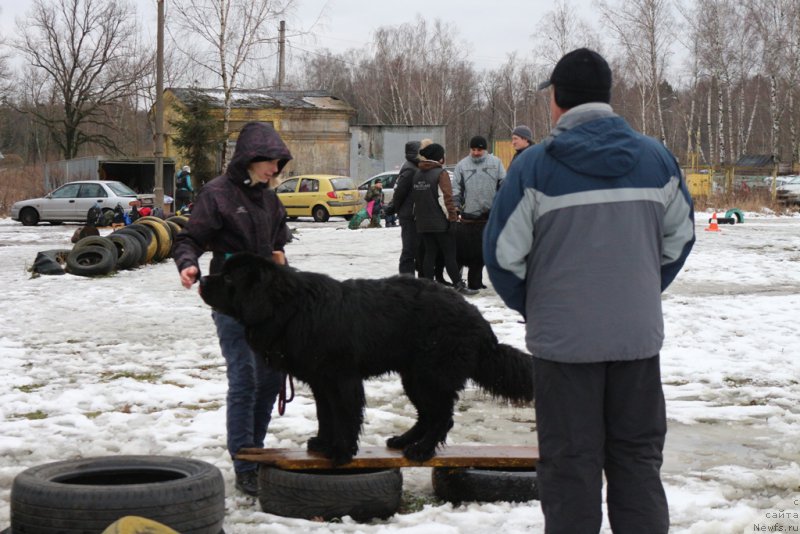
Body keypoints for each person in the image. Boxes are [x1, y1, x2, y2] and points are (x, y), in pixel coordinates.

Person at [483, 48, 695, 533]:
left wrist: (538, 307)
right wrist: (640, 290)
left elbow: (502, 257)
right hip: (635, 341)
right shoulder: (655, 158)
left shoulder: (533, 167)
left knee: (569, 465)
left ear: (556, 99)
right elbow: (679, 239)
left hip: (563, 347)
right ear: (607, 96)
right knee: (638, 461)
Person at [172, 121, 292, 497]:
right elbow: (189, 238)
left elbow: (279, 243)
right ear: (250, 159)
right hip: (232, 299)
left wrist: (282, 261)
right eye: (270, 162)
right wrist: (187, 263)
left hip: (269, 303)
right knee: (245, 378)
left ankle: (254, 450)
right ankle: (244, 462)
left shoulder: (270, 198)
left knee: (271, 379)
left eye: (278, 162)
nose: (275, 169)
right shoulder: (217, 194)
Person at [412, 142, 477, 296]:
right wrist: (452, 219)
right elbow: (445, 199)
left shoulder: (417, 174)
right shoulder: (441, 174)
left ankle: (428, 285)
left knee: (429, 253)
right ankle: (458, 284)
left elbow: (416, 200)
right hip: (441, 223)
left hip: (422, 222)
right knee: (449, 254)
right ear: (439, 158)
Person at [451, 135, 506, 291]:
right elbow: (456, 188)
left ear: (485, 149)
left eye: (479, 150)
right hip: (469, 217)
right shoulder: (462, 165)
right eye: (473, 149)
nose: (476, 152)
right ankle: (460, 281)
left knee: (482, 252)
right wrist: (456, 206)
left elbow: (504, 183)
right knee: (466, 252)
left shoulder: (496, 163)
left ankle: (477, 281)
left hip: (489, 217)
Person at [384, 141, 421, 275]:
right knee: (409, 249)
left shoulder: (412, 166)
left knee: (413, 248)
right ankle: (406, 280)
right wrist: (392, 208)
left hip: (411, 214)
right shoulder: (410, 169)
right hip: (409, 215)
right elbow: (400, 192)